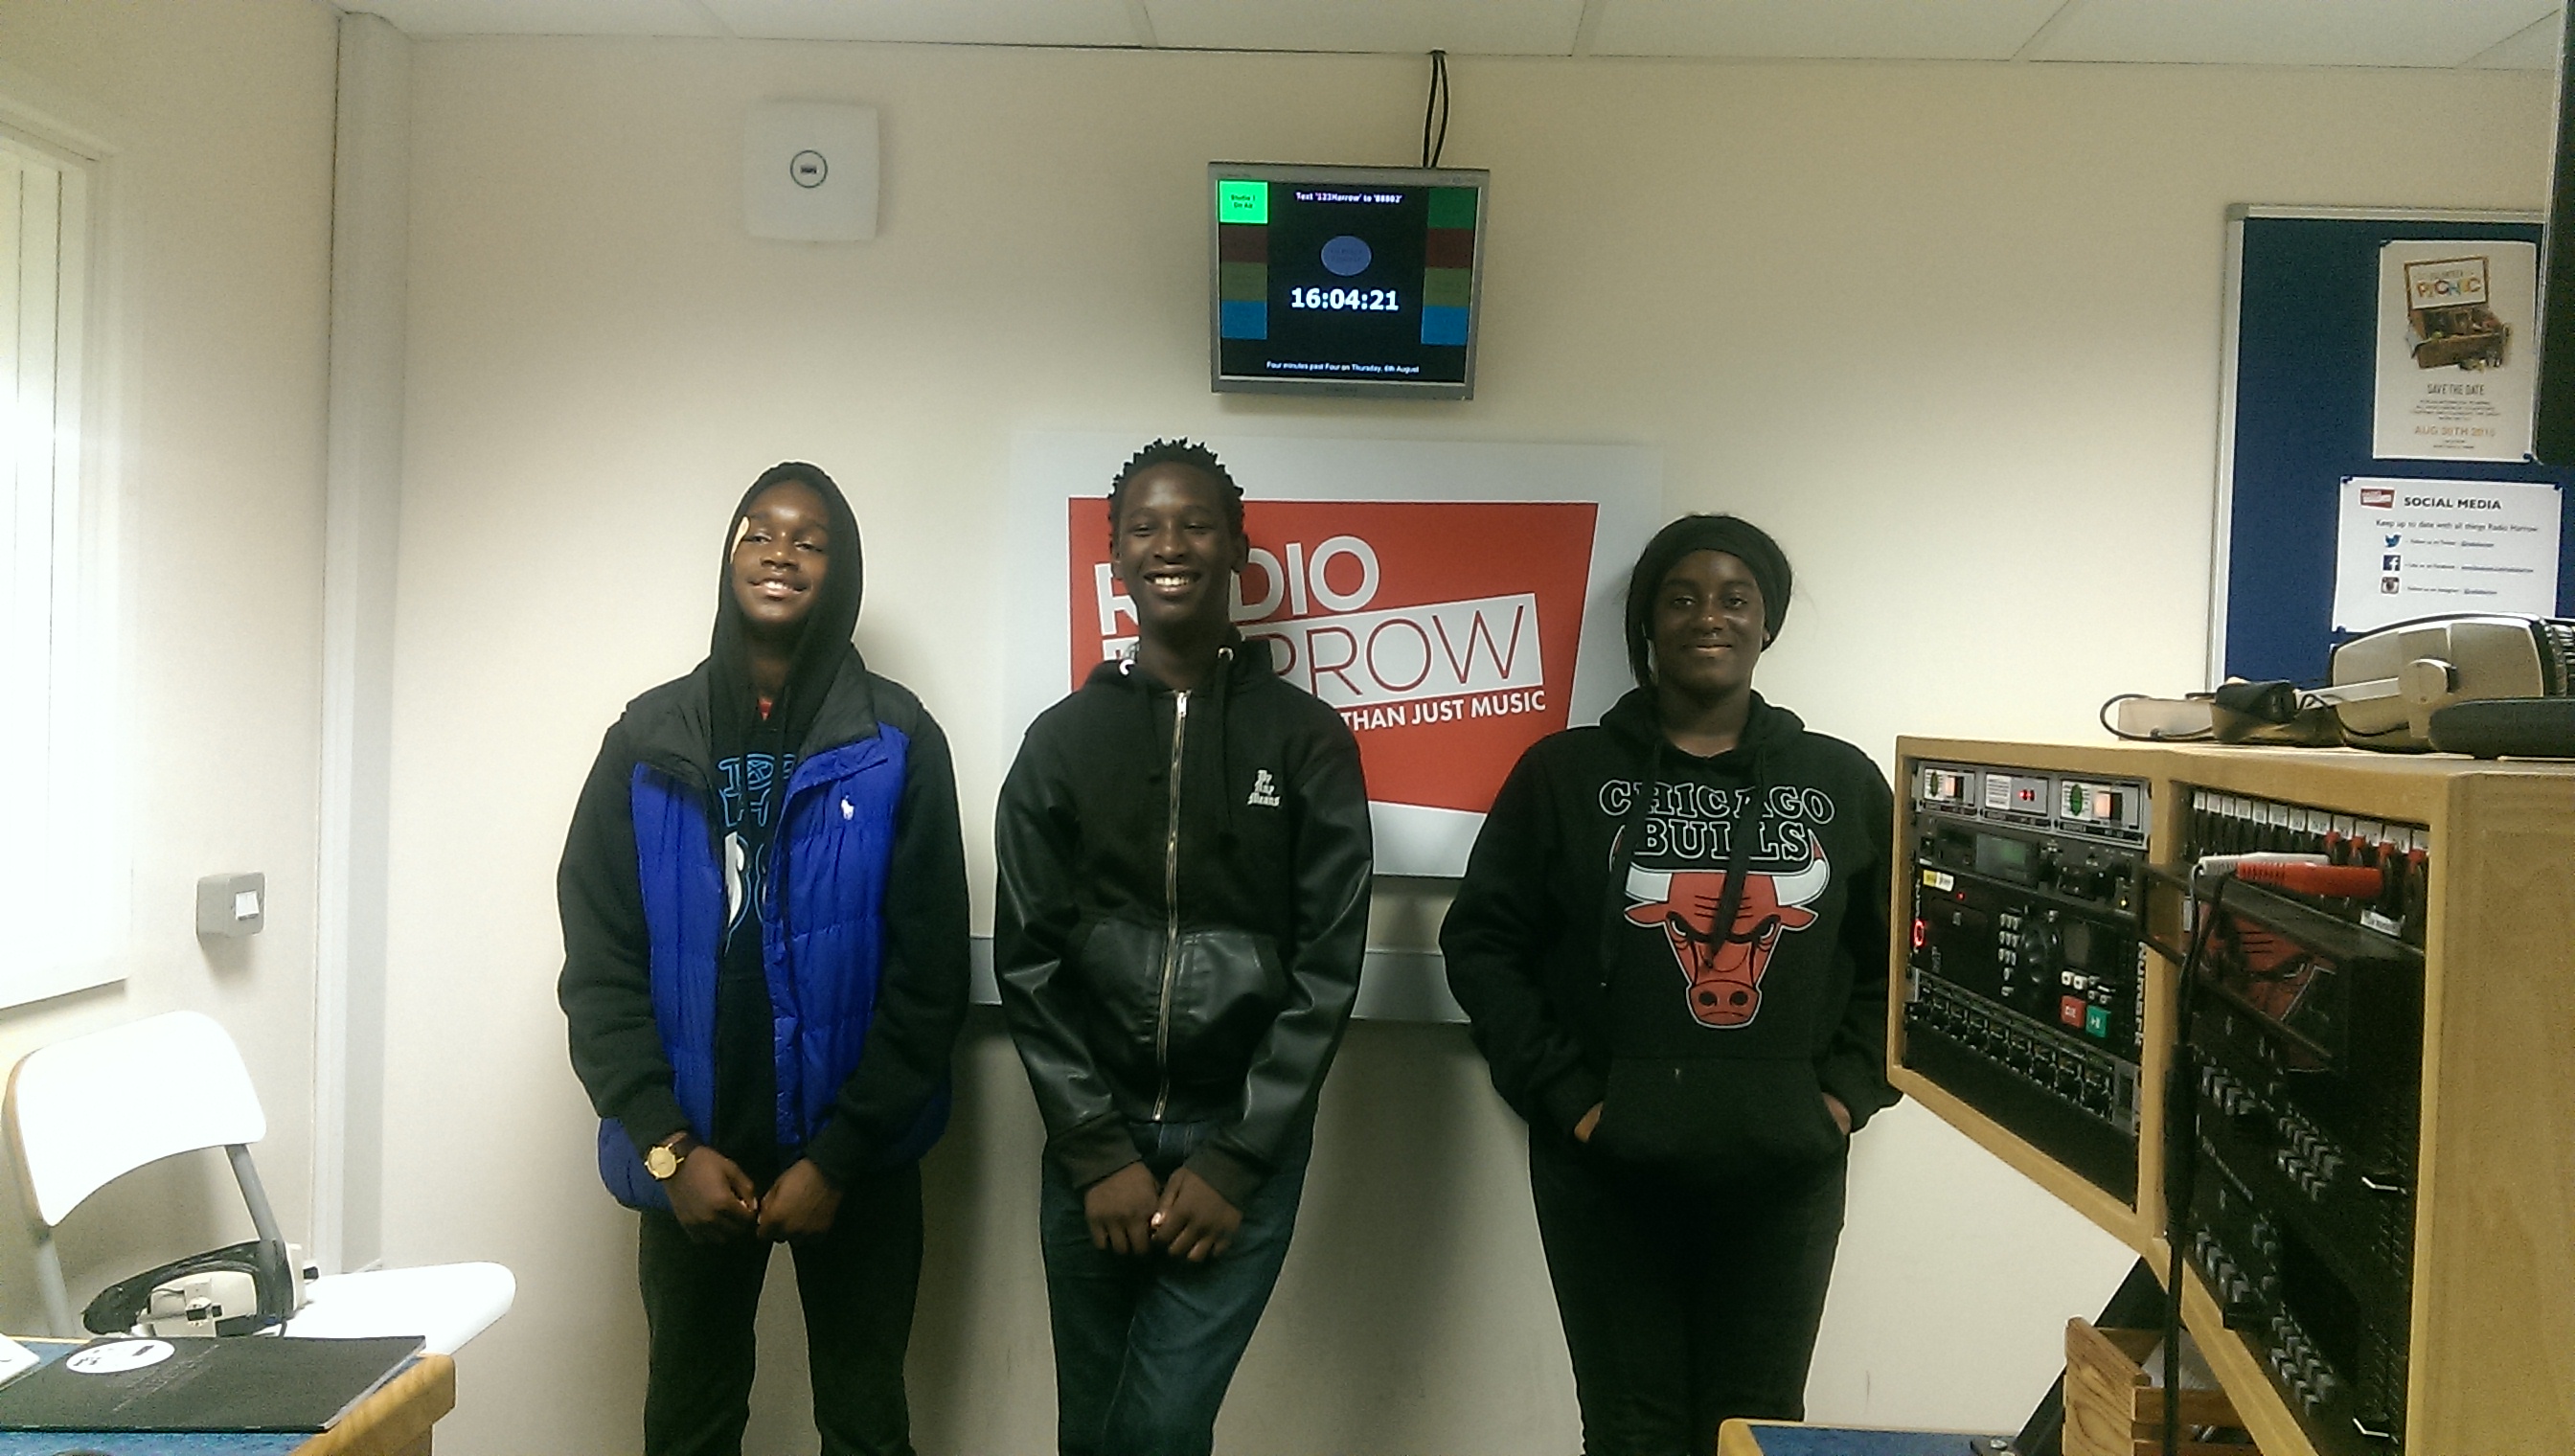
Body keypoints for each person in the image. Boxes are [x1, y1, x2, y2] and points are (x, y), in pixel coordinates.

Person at [1441, 512, 1896, 1456]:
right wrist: (1573, 1100)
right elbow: (1484, 944)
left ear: (1766, 622)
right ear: (1646, 622)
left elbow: (1901, 963)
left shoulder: (1842, 781)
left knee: (1757, 1425)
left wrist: (1841, 1098)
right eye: (1681, 597)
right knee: (1629, 1429)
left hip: (1786, 1170)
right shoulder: (1564, 773)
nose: (1709, 616)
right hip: (1605, 1173)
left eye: (1736, 597)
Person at [558, 462, 969, 1456]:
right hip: (697, 1154)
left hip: (855, 1159)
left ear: (842, 570)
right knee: (688, 1427)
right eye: (757, 531)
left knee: (866, 1426)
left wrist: (838, 1157)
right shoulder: (644, 739)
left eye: (809, 539)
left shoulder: (900, 739)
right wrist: (668, 1150)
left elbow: (929, 978)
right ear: (729, 556)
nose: (780, 552)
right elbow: (599, 965)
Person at [994, 439, 1373, 1456]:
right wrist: (1093, 1148)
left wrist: (1240, 1156)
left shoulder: (1307, 739)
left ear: (1238, 550)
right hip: (1096, 1140)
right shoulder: (1060, 741)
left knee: (1159, 1426)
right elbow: (1027, 960)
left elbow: (1329, 962)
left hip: (1239, 1142)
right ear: (1116, 554)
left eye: (1197, 523)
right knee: (1094, 1429)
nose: (1171, 544)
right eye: (1146, 526)